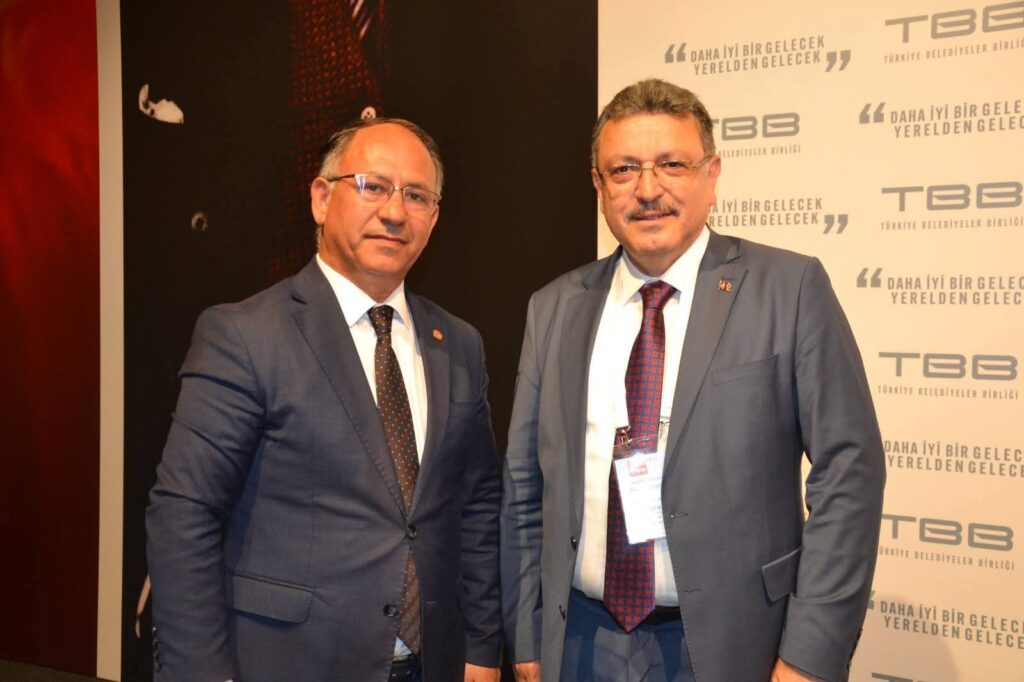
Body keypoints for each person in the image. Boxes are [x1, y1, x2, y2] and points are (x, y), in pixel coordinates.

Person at [500, 79, 885, 682]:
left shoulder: (788, 289)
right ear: (599, 187)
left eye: (672, 165)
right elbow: (524, 486)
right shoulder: (553, 308)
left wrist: (809, 656)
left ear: (712, 175)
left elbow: (850, 474)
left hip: (735, 645)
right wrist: (527, 638)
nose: (647, 189)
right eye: (624, 169)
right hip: (578, 641)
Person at [147, 117, 502, 682]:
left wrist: (482, 647)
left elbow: (478, 503)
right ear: (321, 198)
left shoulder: (458, 344)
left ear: (434, 218)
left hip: (433, 663)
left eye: (416, 195)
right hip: (289, 662)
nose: (394, 211)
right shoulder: (245, 335)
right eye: (372, 186)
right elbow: (185, 514)